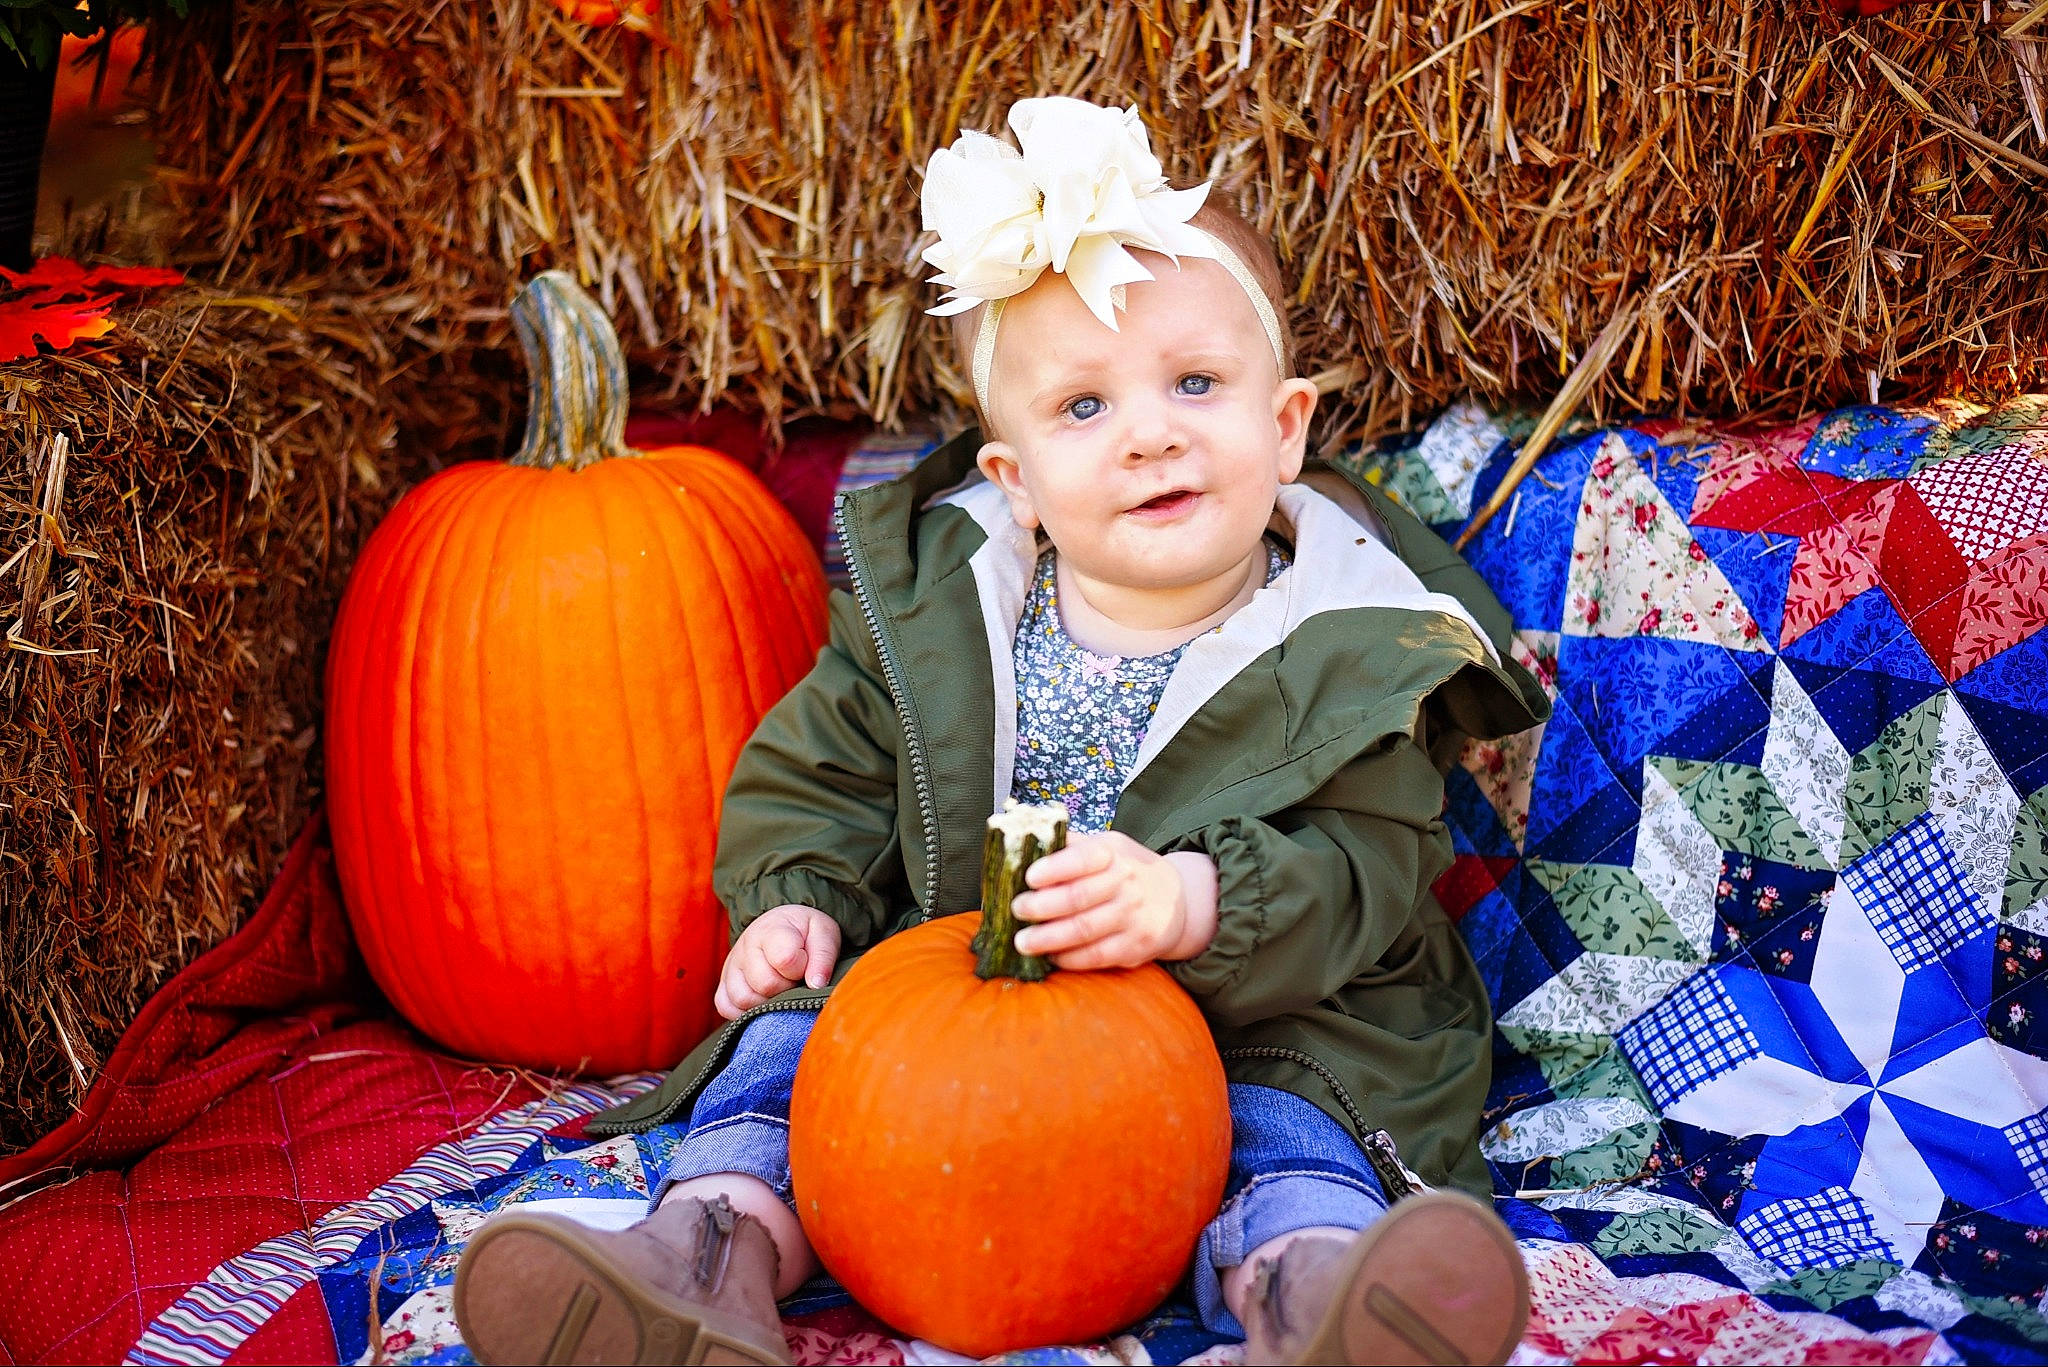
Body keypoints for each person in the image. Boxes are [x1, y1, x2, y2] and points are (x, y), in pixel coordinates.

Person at [452, 96, 1550, 1367]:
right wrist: (793, 900)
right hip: (959, 1002)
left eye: (1196, 382)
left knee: (1299, 1120)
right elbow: (823, 766)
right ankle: (706, 1258)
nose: (1148, 430)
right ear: (1015, 479)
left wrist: (1198, 902)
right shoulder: (940, 610)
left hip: (1259, 1009)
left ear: (1285, 424)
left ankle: (1317, 1300)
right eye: (1082, 407)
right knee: (794, 1040)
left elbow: (1372, 867)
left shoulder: (1350, 641)